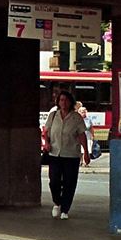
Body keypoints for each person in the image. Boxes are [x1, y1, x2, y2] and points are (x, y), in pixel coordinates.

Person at [43, 91, 90, 220]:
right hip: (55, 154)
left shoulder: (76, 118)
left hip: (71, 155)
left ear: (71, 102)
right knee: (54, 182)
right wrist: (46, 143)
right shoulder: (53, 116)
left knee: (70, 182)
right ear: (58, 102)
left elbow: (82, 135)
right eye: (61, 100)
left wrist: (86, 152)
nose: (64, 102)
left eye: (66, 100)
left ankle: (65, 209)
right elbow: (45, 131)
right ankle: (57, 202)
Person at [75, 102, 94, 167]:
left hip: (87, 137)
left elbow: (91, 128)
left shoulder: (88, 119)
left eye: (84, 111)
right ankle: (80, 162)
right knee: (80, 150)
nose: (83, 113)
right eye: (81, 112)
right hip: (78, 137)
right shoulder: (77, 119)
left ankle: (85, 162)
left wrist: (92, 136)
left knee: (86, 150)